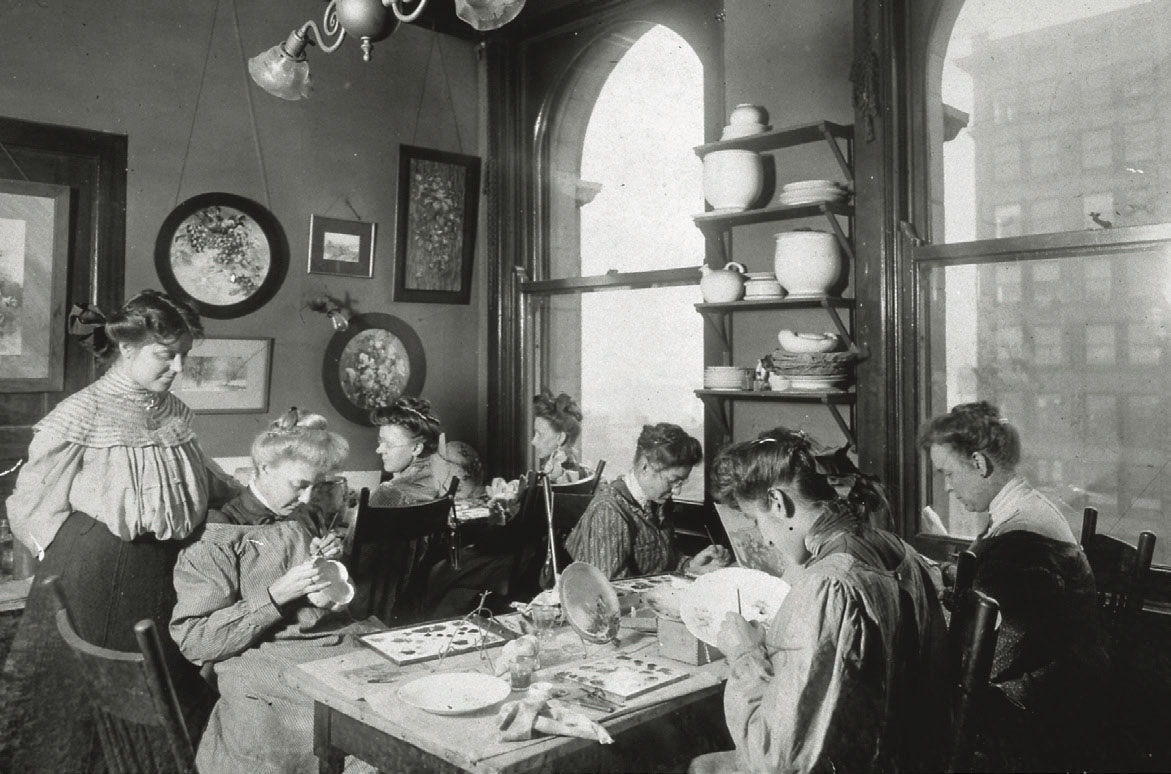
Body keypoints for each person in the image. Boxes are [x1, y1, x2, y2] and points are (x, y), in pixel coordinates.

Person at [1, 290, 237, 772]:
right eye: (165, 355)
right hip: (98, 572)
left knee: (169, 703)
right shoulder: (81, 413)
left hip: (163, 570)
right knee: (105, 710)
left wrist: (258, 495)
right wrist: (71, 563)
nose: (177, 367)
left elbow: (202, 479)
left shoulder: (172, 411)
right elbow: (31, 505)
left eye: (184, 356)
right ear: (128, 349)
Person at [690, 428, 949, 774]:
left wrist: (744, 655)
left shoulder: (828, 586)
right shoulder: (894, 548)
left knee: (698, 766)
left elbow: (774, 758)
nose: (765, 539)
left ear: (778, 502)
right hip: (901, 756)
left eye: (756, 521)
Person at [171, 409, 373, 774]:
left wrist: (326, 572)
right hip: (257, 660)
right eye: (300, 484)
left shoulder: (302, 515)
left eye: (317, 484)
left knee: (389, 695)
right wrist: (276, 596)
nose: (308, 496)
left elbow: (323, 599)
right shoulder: (217, 534)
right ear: (263, 469)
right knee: (329, 718)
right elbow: (195, 639)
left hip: (322, 644)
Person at [920, 401, 1110, 771]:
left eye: (948, 473)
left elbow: (989, 661)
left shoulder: (1022, 537)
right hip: (1055, 688)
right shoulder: (1023, 509)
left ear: (979, 463)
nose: (945, 488)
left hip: (1038, 716)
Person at [565, 422, 730, 579]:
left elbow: (663, 565)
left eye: (681, 482)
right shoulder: (609, 511)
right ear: (645, 467)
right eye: (672, 480)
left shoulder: (657, 502)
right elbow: (612, 591)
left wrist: (691, 566)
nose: (677, 490)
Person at [368, 396, 445, 506]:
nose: (379, 450)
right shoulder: (439, 483)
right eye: (380, 442)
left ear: (416, 448)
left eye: (389, 444)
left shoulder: (387, 493)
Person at [532, 389, 588, 484]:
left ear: (561, 438)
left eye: (540, 435)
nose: (533, 441)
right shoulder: (557, 464)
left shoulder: (565, 477)